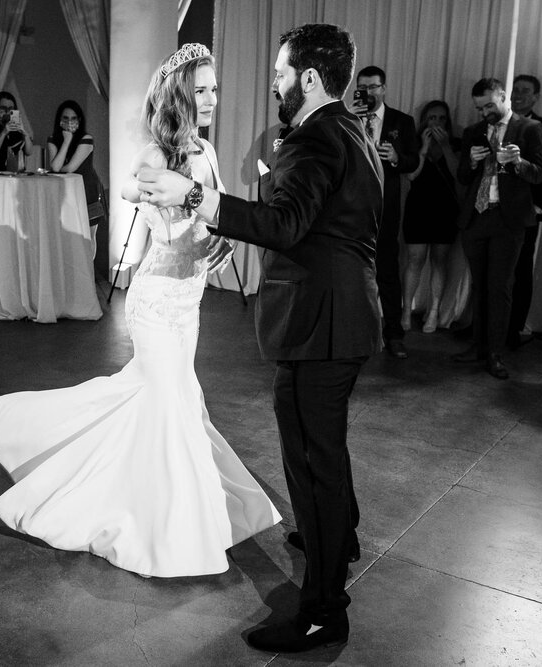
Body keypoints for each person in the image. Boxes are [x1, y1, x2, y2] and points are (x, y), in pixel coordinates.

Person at [0, 43, 279, 579]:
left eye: (215, 88)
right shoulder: (155, 156)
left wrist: (225, 243)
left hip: (188, 301)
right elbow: (162, 224)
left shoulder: (208, 153)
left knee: (163, 401)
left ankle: (163, 510)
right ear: (180, 96)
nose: (213, 97)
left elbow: (211, 218)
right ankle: (172, 534)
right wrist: (178, 218)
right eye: (202, 90)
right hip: (157, 302)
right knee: (171, 405)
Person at [138, 22, 383, 653]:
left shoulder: (315, 139)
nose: (272, 85)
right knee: (321, 451)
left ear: (306, 77)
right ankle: (337, 534)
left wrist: (194, 194)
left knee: (311, 459)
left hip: (320, 324)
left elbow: (284, 223)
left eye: (277, 75)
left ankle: (324, 609)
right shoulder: (349, 130)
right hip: (341, 315)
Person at [454, 77, 542, 380]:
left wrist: (518, 162)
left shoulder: (529, 129)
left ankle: (496, 353)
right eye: (480, 108)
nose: (485, 113)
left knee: (500, 287)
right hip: (476, 217)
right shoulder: (473, 132)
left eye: (490, 105)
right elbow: (463, 178)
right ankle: (477, 346)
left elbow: (540, 175)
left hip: (507, 220)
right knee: (479, 285)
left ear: (503, 97)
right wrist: (469, 160)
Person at [353, 65, 419, 358]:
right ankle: (353, 332)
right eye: (363, 86)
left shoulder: (402, 121)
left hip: (387, 207)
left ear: (384, 88)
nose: (368, 92)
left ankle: (394, 334)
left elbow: (413, 160)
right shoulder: (348, 118)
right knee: (353, 273)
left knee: (388, 272)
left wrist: (395, 157)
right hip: (353, 207)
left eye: (373, 86)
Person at [507, 74, 542, 348]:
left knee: (520, 267)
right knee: (492, 268)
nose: (518, 95)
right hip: (495, 207)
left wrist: (539, 204)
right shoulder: (498, 122)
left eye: (524, 91)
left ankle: (514, 327)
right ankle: (484, 324)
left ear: (536, 97)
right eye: (515, 90)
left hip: (528, 208)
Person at [401, 100, 461, 333]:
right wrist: (423, 149)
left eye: (442, 118)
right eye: (432, 118)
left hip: (445, 209)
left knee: (439, 260)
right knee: (414, 259)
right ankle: (406, 311)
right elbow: (411, 176)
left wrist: (445, 146)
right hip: (418, 207)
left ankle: (434, 312)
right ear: (424, 120)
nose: (437, 122)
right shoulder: (414, 142)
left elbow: (459, 175)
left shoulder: (455, 143)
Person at [47, 100, 105, 226]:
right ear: (60, 119)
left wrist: (69, 140)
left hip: (86, 191)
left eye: (73, 118)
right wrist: (66, 141)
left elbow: (70, 168)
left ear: (79, 119)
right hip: (64, 193)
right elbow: (56, 167)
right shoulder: (53, 139)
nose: (69, 122)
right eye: (66, 118)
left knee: (88, 236)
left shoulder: (86, 139)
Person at [0, 91, 32, 172]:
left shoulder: (17, 130)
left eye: (11, 109)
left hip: (14, 176)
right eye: (3, 108)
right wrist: (4, 132)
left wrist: (25, 135)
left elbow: (29, 152)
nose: (7, 112)